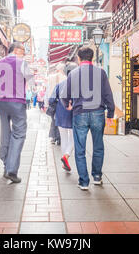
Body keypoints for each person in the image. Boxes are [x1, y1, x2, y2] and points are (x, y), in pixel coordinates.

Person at [61, 46, 115, 190]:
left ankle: (84, 181)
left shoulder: (73, 73)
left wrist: (67, 105)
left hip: (80, 113)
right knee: (98, 146)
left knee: (80, 149)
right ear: (92, 58)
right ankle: (97, 176)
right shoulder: (101, 72)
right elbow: (108, 94)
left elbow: (64, 94)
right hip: (98, 113)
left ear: (78, 58)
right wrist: (110, 113)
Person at [0, 42, 33, 183]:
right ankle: (11, 170)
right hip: (16, 102)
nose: (24, 54)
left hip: (1, 102)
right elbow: (31, 80)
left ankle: (5, 163)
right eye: (22, 51)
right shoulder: (21, 63)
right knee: (19, 134)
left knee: (5, 132)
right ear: (16, 50)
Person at [49, 62, 77, 172]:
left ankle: (64, 161)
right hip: (73, 115)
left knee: (64, 137)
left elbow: (51, 100)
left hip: (60, 115)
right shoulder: (78, 86)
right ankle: (66, 155)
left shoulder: (60, 85)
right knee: (74, 138)